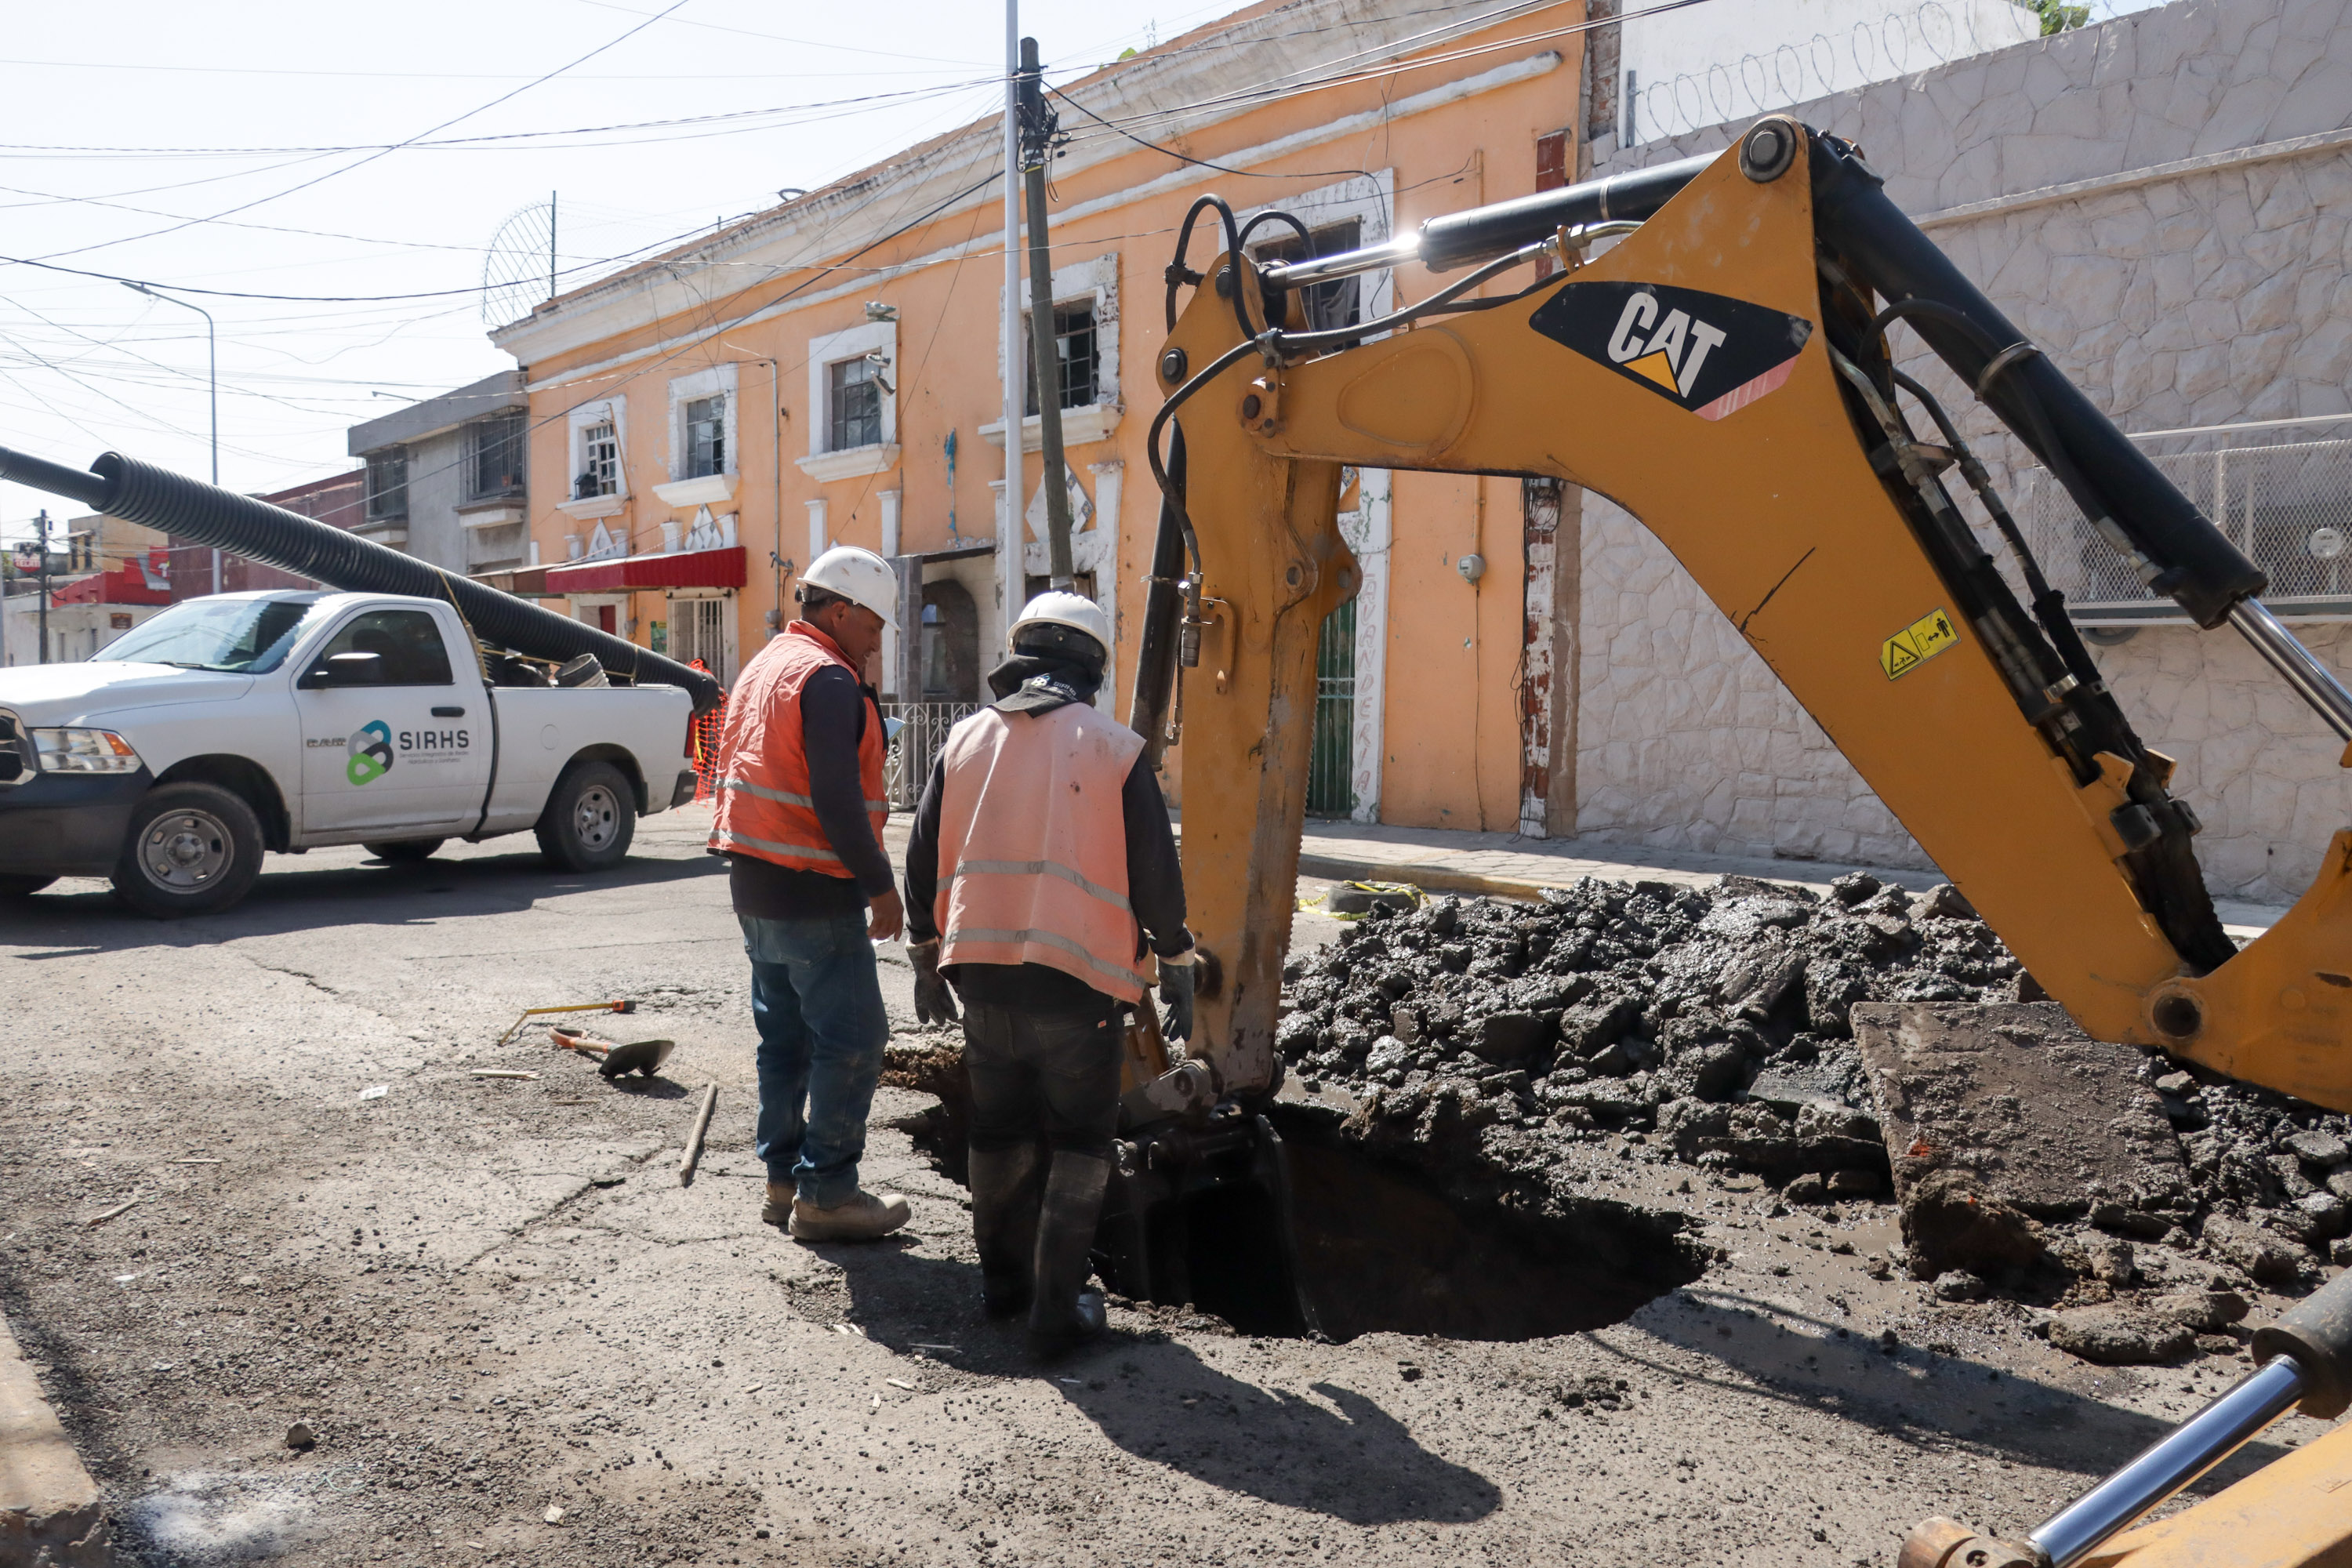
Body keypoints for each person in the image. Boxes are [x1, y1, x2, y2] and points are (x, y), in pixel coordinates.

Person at [901, 592, 1194, 1359]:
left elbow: (922, 855)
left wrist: (923, 954)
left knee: (998, 1131)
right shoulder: (1115, 748)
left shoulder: (962, 741)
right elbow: (1158, 878)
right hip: (1079, 990)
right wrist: (1179, 960)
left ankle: (1004, 1291)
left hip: (981, 985)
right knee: (1080, 1138)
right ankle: (1055, 1315)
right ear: (1093, 664)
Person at [708, 546, 912, 1243]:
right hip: (812, 887)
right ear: (840, 611)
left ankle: (783, 1181)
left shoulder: (767, 664)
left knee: (786, 1040)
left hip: (754, 882)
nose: (876, 640)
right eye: (874, 626)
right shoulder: (826, 677)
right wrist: (881, 886)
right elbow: (836, 798)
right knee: (854, 1039)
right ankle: (828, 1194)